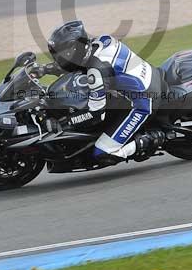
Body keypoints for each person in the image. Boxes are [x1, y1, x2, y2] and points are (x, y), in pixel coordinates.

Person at [47, 20, 166, 164]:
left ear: (77, 48)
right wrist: (46, 69)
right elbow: (80, 65)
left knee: (102, 152)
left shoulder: (96, 71)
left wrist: (66, 122)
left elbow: (96, 113)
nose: (61, 58)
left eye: (64, 53)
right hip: (150, 75)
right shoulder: (102, 41)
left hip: (144, 101)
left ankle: (151, 138)